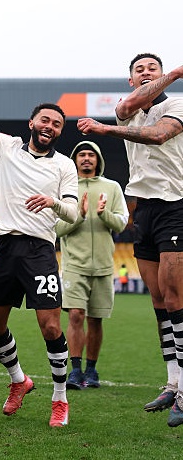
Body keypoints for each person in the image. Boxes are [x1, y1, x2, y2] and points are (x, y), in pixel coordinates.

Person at [0, 67, 79, 427]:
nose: (50, 127)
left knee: (50, 327)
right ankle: (19, 381)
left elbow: (72, 213)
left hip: (40, 250)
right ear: (31, 123)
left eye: (56, 124)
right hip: (5, 249)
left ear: (59, 131)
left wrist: (53, 202)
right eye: (45, 120)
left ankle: (60, 400)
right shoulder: (6, 147)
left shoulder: (64, 166)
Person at [77, 53, 183, 424]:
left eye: (152, 68)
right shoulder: (127, 108)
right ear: (130, 80)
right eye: (139, 69)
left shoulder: (178, 102)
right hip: (146, 211)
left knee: (175, 298)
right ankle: (172, 383)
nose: (146, 72)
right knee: (158, 301)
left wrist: (173, 74)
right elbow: (126, 107)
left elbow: (159, 135)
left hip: (176, 205)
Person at [55, 141, 128, 390]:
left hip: (104, 266)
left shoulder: (112, 187)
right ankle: (75, 372)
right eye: (82, 155)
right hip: (74, 264)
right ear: (75, 159)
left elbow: (121, 224)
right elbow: (58, 228)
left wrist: (103, 213)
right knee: (76, 315)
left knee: (96, 320)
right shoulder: (66, 187)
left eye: (91, 155)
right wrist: (81, 215)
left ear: (98, 160)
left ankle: (92, 371)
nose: (86, 158)